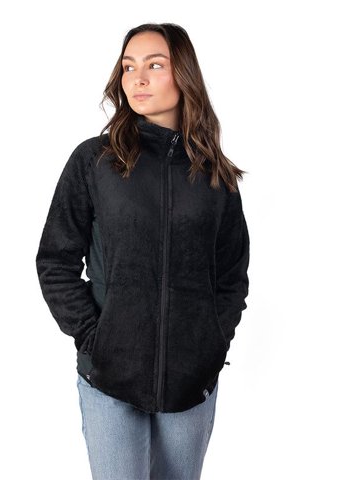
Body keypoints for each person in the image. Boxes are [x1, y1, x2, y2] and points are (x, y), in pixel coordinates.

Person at [35, 22, 250, 480]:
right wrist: (95, 339)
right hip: (108, 379)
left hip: (191, 382)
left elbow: (232, 275)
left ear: (184, 74)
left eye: (155, 65)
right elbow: (55, 260)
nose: (138, 78)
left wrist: (212, 343)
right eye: (129, 67)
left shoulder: (215, 175)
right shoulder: (95, 161)